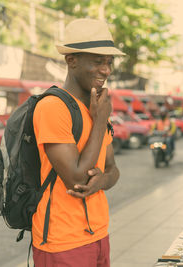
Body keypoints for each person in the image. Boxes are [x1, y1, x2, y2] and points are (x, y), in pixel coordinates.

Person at [32, 18, 124, 267]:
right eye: (97, 61)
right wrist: (101, 119)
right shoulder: (53, 107)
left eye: (109, 62)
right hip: (62, 242)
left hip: (98, 234)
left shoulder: (95, 107)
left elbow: (112, 168)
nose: (106, 70)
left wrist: (101, 181)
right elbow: (75, 178)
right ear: (71, 60)